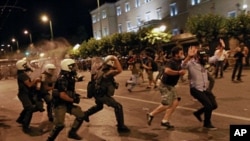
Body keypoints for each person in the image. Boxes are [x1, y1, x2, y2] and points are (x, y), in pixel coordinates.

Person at [85, 55, 130, 133]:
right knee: (118, 106)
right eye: (113, 63)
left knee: (99, 106)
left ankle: (85, 114)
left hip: (98, 93)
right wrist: (115, 59)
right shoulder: (107, 72)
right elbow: (119, 70)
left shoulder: (101, 70)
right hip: (102, 95)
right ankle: (121, 126)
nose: (115, 64)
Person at [146, 46, 186, 129]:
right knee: (167, 104)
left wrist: (190, 55)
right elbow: (167, 71)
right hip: (165, 85)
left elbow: (185, 61)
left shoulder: (178, 61)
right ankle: (151, 114)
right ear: (176, 54)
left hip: (171, 86)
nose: (182, 54)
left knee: (175, 102)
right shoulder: (171, 62)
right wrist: (179, 72)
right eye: (181, 53)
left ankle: (165, 121)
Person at [47, 58, 86, 141]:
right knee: (59, 125)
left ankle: (72, 133)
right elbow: (62, 95)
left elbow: (69, 90)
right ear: (68, 67)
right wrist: (74, 99)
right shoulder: (62, 78)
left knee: (81, 115)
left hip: (67, 102)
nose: (75, 68)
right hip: (60, 104)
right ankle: (50, 139)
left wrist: (74, 95)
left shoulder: (69, 76)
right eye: (73, 66)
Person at [182, 45, 218, 130]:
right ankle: (207, 123)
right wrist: (189, 56)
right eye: (203, 57)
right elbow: (183, 66)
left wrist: (222, 48)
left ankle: (198, 113)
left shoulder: (204, 62)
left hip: (205, 88)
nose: (205, 58)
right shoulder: (191, 64)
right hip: (196, 89)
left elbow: (216, 58)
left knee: (214, 105)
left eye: (206, 57)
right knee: (208, 106)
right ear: (198, 57)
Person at [16, 59, 40, 133]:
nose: (27, 66)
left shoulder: (22, 73)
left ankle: (20, 119)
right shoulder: (22, 75)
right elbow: (29, 85)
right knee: (30, 108)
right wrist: (36, 80)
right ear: (22, 66)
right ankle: (25, 126)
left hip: (26, 94)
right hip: (24, 94)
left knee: (29, 107)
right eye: (25, 65)